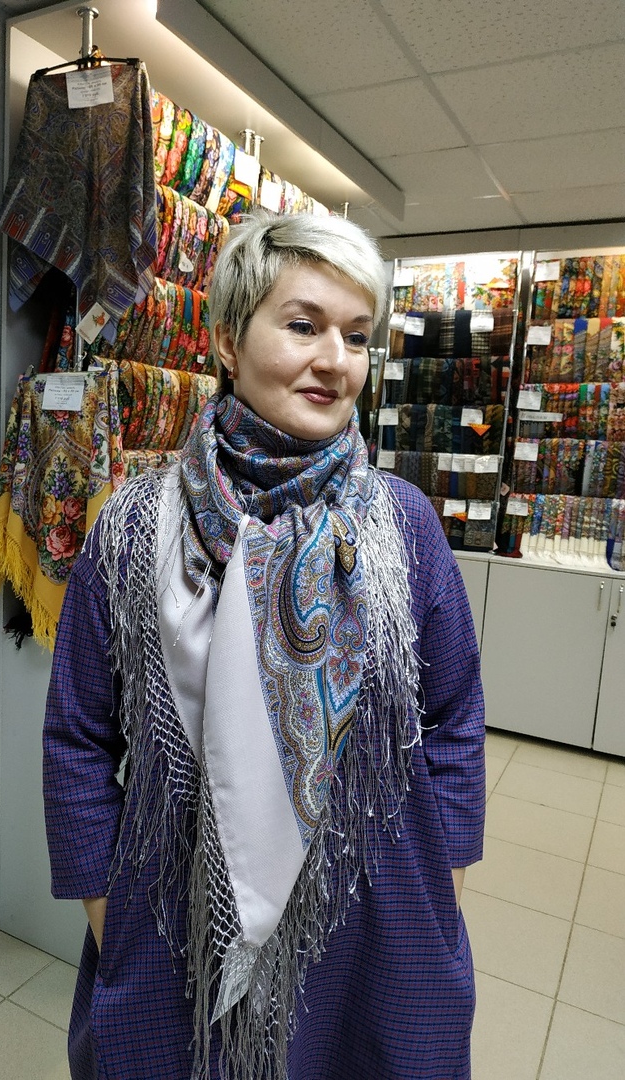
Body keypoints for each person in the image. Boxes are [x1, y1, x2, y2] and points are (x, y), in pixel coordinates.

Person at [43, 211, 485, 1080]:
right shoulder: (134, 529)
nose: (336, 360)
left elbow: (454, 722)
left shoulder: (403, 527)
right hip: (175, 940)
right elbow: (78, 740)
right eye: (303, 325)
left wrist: (442, 897)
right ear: (226, 340)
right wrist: (109, 913)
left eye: (357, 336)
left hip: (374, 937)